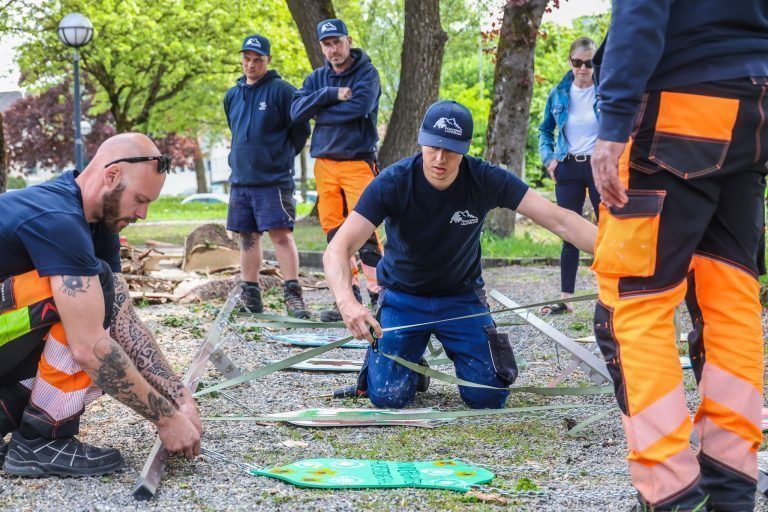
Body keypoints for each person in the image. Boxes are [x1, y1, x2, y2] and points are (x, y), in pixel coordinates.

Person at [590, 1, 768, 510]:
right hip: (754, 113)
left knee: (634, 306)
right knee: (729, 299)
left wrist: (614, 123)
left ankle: (673, 495)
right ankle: (730, 489)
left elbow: (641, 9)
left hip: (680, 108)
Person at [323, 100, 597, 410]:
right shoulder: (393, 182)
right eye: (433, 147)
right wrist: (347, 303)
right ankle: (412, 364)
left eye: (451, 150)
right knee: (388, 397)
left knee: (489, 397)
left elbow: (560, 220)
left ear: (465, 149)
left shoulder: (485, 178)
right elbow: (337, 249)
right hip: (403, 297)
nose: (440, 158)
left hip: (461, 298)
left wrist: (617, 254)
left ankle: (432, 358)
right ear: (421, 141)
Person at [0, 133, 202, 477]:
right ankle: (42, 439)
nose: (143, 214)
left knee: (95, 299)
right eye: (140, 200)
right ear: (112, 175)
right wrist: (166, 420)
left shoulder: (96, 224)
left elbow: (124, 322)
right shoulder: (58, 218)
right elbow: (90, 348)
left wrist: (179, 398)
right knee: (89, 299)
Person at [291, 18, 384, 322]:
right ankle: (348, 297)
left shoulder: (367, 73)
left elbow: (360, 108)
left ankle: (380, 296)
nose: (333, 49)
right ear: (321, 47)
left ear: (348, 40)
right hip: (325, 164)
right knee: (334, 234)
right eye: (327, 44)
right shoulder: (317, 79)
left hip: (358, 162)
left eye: (337, 42)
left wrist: (320, 113)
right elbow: (296, 113)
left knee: (365, 231)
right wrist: (329, 95)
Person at [224, 34, 312, 318]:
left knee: (281, 235)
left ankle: (293, 296)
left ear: (268, 60)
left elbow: (301, 130)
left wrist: (279, 156)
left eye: (257, 60)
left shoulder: (282, 91)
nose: (251, 64)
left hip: (273, 180)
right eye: (247, 59)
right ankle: (250, 295)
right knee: (247, 237)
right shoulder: (232, 95)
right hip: (241, 180)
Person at [538, 37, 601, 315]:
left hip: (599, 167)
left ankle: (612, 296)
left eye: (589, 63)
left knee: (610, 231)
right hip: (568, 166)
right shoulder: (558, 94)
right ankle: (566, 300)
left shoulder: (606, 91)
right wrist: (549, 159)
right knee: (569, 232)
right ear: (570, 62)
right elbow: (545, 130)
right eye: (578, 63)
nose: (583, 68)